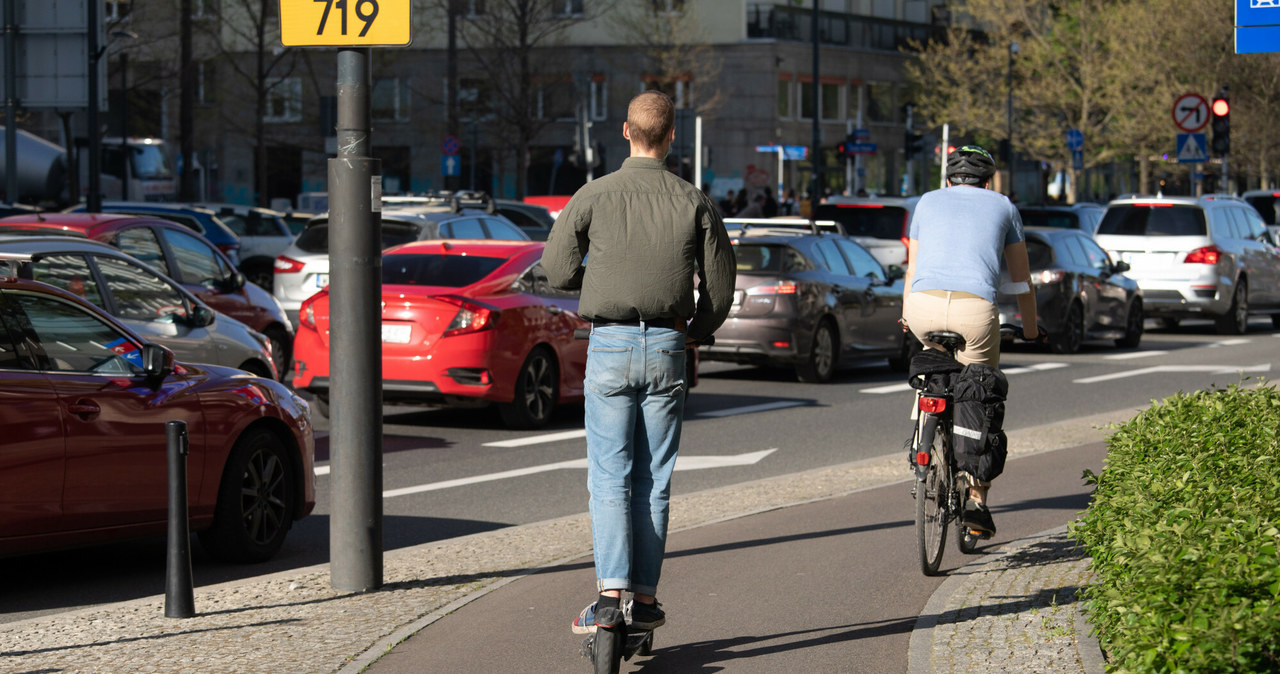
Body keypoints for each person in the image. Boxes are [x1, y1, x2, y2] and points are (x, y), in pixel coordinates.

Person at [544, 90, 736, 636]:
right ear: (673, 137)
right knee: (655, 480)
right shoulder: (693, 200)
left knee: (609, 475)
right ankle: (646, 600)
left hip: (610, 344)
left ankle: (609, 596)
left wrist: (600, 283)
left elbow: (556, 269)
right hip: (669, 347)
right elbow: (720, 288)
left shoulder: (594, 194)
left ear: (626, 132)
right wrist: (693, 332)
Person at [899, 144, 1040, 536]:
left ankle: (922, 442)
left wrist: (907, 315)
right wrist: (1030, 328)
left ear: (948, 180)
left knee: (933, 370)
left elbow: (913, 269)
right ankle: (977, 500)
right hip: (975, 311)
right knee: (980, 390)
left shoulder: (926, 202)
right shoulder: (1004, 207)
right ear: (988, 182)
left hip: (922, 306)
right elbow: (1021, 281)